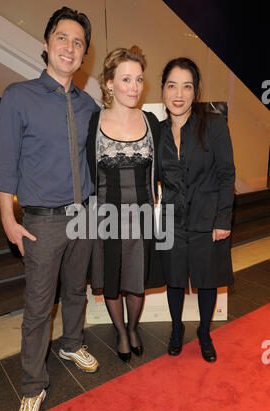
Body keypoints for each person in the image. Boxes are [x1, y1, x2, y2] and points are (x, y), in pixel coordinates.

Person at [0, 6, 100, 411]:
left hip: (84, 217)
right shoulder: (19, 96)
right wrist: (7, 218)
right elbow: (4, 162)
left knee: (76, 289)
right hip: (41, 221)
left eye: (78, 42)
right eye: (62, 38)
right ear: (46, 44)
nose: (69, 47)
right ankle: (33, 385)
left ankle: (72, 344)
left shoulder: (88, 103)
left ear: (83, 54)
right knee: (39, 307)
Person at [86, 46, 164, 362]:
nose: (133, 87)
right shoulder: (93, 123)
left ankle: (133, 328)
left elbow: (163, 173)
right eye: (126, 79)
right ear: (109, 84)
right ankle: (120, 332)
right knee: (113, 283)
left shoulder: (151, 123)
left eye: (139, 79)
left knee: (136, 282)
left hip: (143, 217)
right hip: (106, 218)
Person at [158, 57, 235, 362]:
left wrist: (222, 217)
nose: (179, 93)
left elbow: (227, 174)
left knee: (206, 279)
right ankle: (177, 329)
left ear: (196, 91)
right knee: (174, 279)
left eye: (186, 86)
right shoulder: (157, 131)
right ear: (163, 90)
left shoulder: (213, 125)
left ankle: (204, 332)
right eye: (172, 85)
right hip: (170, 220)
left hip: (207, 219)